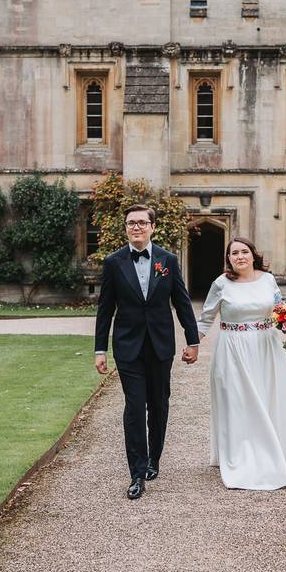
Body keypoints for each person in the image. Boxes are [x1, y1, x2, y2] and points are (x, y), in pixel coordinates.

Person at [94, 204, 200, 500]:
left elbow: (181, 301)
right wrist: (99, 349)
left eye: (142, 222)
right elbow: (105, 310)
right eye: (131, 223)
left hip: (160, 345)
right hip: (128, 347)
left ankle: (155, 458)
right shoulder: (114, 262)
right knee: (134, 406)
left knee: (159, 403)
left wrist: (193, 342)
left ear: (153, 227)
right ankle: (137, 473)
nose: (136, 227)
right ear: (125, 228)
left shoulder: (168, 260)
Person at [196, 237, 286, 490]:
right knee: (238, 402)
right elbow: (206, 318)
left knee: (269, 398)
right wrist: (191, 344)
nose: (239, 256)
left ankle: (278, 454)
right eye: (234, 253)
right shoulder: (221, 284)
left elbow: (279, 309)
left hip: (266, 348)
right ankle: (243, 456)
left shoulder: (268, 279)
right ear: (228, 259)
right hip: (233, 348)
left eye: (244, 252)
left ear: (253, 255)